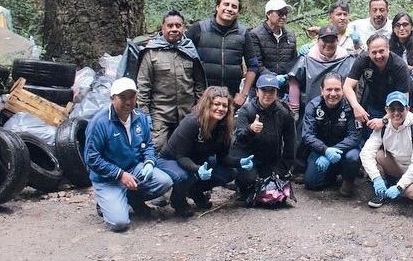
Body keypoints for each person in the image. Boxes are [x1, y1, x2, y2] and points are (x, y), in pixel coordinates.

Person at [84, 78, 173, 232]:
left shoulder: (140, 118)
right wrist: (120, 174)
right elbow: (91, 158)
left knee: (164, 182)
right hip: (108, 178)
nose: (128, 101)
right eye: (122, 97)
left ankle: (132, 198)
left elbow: (148, 145)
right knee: (119, 223)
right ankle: (105, 202)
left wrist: (149, 162)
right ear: (112, 98)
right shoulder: (100, 123)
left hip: (133, 169)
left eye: (132, 97)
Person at [157, 86, 252, 217]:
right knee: (185, 175)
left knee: (229, 173)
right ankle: (178, 200)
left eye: (224, 106)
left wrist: (240, 162)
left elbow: (223, 158)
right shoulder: (192, 122)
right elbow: (181, 156)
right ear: (208, 104)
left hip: (197, 161)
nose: (221, 108)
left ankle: (195, 192)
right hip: (171, 160)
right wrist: (197, 169)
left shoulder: (224, 127)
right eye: (216, 104)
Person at [136, 10, 206, 151]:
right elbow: (143, 86)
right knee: (157, 147)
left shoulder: (190, 50)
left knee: (189, 149)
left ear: (183, 28)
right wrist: (144, 115)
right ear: (163, 28)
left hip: (187, 111)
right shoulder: (151, 52)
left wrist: (199, 108)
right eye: (170, 25)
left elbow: (199, 84)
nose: (174, 29)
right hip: (160, 113)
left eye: (178, 26)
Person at [231, 73, 297, 206]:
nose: (268, 94)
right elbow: (238, 139)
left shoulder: (284, 113)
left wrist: (282, 169)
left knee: (273, 188)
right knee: (249, 180)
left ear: (276, 93)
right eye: (264, 90)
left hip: (270, 159)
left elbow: (291, 143)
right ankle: (240, 185)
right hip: (247, 157)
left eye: (271, 91)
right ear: (257, 92)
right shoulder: (246, 111)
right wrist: (250, 129)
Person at [361, 91, 413, 208]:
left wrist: (400, 187)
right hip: (397, 165)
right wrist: (376, 178)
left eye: (400, 109)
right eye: (392, 109)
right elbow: (366, 153)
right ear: (386, 110)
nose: (396, 113)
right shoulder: (383, 126)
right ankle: (382, 190)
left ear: (407, 109)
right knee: (377, 155)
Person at [186, 0, 254, 107]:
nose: (229, 9)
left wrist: (243, 95)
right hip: (201, 97)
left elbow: (253, 65)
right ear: (217, 7)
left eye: (234, 6)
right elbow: (182, 56)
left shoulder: (243, 34)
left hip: (229, 99)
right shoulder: (199, 29)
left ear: (238, 12)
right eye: (226, 4)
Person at [301, 73, 361, 196]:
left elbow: (354, 137)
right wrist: (325, 150)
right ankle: (333, 172)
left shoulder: (351, 107)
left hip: (345, 150)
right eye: (329, 89)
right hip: (321, 150)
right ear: (322, 90)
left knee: (353, 157)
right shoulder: (313, 106)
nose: (333, 94)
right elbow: (307, 135)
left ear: (343, 90)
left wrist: (334, 150)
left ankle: (348, 180)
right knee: (311, 183)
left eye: (337, 89)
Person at [343, 34, 410, 132]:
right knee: (373, 133)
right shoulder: (363, 60)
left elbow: (404, 99)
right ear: (368, 52)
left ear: (388, 49)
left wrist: (384, 120)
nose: (378, 56)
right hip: (374, 104)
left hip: (396, 107)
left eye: (381, 51)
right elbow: (347, 86)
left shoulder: (399, 66)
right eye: (374, 52)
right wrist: (356, 106)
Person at [287, 25, 355, 116]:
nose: (328, 44)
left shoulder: (348, 60)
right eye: (325, 40)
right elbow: (294, 81)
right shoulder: (305, 60)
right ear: (318, 40)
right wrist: (294, 110)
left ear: (337, 41)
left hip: (342, 114)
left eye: (332, 41)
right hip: (310, 113)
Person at [245, 0, 298, 98]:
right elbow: (256, 63)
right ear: (268, 14)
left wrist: (288, 79)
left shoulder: (290, 36)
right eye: (280, 13)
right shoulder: (255, 35)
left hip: (283, 89)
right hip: (261, 88)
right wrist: (273, 78)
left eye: (285, 14)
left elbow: (293, 62)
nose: (284, 17)